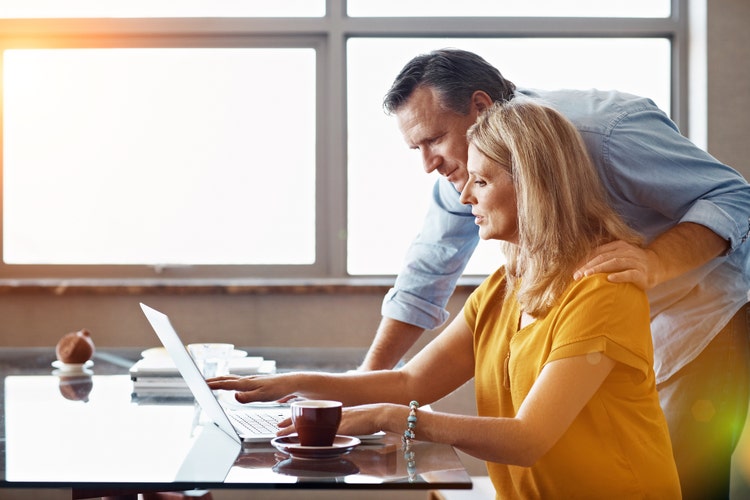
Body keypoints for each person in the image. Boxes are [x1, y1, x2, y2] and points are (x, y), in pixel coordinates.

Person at [209, 99, 682, 498]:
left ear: (533, 184)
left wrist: (390, 418)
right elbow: (411, 381)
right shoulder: (503, 288)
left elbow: (528, 438)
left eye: (481, 181)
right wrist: (293, 384)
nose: (464, 199)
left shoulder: (603, 292)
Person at [358, 48, 750, 498]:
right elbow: (426, 273)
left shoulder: (607, 132)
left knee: (689, 476)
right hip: (600, 317)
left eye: (433, 139)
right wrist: (368, 389)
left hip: (696, 314)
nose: (428, 162)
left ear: (481, 108)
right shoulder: (465, 172)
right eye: (416, 148)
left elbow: (734, 199)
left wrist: (655, 262)